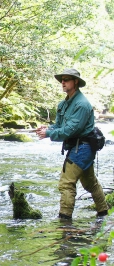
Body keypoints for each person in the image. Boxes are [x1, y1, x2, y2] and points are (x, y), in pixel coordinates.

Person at [36, 68, 108, 220]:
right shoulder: (64, 104)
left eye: (66, 79)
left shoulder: (82, 104)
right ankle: (104, 214)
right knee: (90, 184)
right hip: (78, 147)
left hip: (83, 148)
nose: (63, 82)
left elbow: (70, 131)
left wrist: (48, 134)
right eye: (62, 80)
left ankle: (65, 220)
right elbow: (60, 125)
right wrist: (47, 129)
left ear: (75, 82)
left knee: (66, 183)